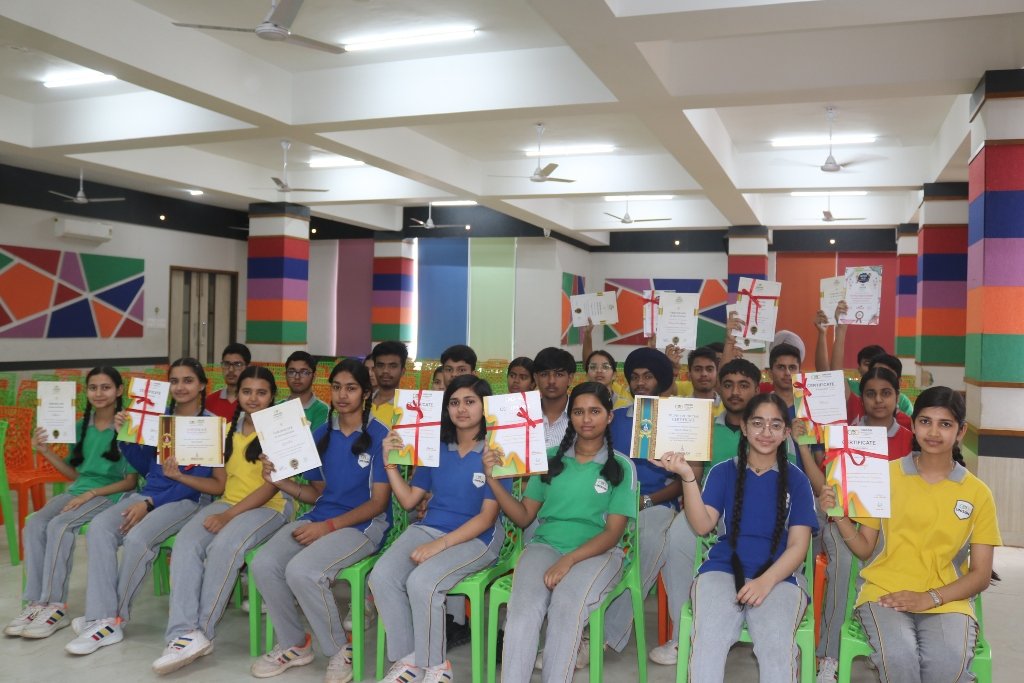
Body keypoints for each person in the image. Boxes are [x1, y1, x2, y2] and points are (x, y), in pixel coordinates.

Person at [819, 387, 1000, 683]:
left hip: (947, 599)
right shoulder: (885, 475)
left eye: (945, 424)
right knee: (900, 658)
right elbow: (865, 549)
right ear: (913, 425)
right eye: (925, 421)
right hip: (884, 594)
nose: (934, 432)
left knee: (946, 665)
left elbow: (980, 575)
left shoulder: (978, 493)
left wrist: (929, 598)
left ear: (961, 431)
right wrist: (838, 515)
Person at [66, 358, 225, 655]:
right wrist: (126, 439)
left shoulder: (209, 424)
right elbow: (147, 468)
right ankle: (101, 616)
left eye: (188, 380)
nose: (180, 387)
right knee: (100, 528)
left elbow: (198, 481)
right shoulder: (160, 419)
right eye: (174, 381)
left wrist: (150, 504)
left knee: (138, 539)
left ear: (203, 385)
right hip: (149, 493)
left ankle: (112, 620)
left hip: (187, 500)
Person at [249, 359, 391, 683]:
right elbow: (316, 494)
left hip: (363, 526)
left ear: (365, 393)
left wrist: (327, 528)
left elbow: (378, 503)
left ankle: (340, 649)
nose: (342, 395)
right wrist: (279, 480)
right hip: (320, 516)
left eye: (351, 388)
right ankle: (295, 644)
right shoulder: (321, 433)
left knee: (302, 571)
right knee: (264, 563)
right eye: (337, 387)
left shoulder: (380, 435)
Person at [484, 382, 637, 683]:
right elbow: (524, 517)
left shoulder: (621, 466)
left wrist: (569, 560)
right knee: (523, 609)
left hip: (599, 553)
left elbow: (612, 534)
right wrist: (493, 480)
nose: (586, 419)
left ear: (609, 416)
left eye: (595, 411)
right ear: (570, 417)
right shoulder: (549, 458)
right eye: (578, 412)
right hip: (545, 546)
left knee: (567, 607)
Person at [662, 393, 818, 683]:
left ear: (786, 433)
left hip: (780, 579)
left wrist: (765, 581)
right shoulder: (723, 472)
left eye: (775, 425)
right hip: (721, 571)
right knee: (709, 640)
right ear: (744, 427)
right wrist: (687, 476)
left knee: (775, 647)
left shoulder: (798, 481)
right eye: (757, 423)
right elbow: (701, 525)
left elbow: (798, 546)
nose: (766, 432)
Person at [370, 375, 511, 683]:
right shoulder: (434, 447)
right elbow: (409, 501)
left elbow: (486, 519)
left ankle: (437, 667)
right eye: (454, 402)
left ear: (484, 407)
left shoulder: (495, 451)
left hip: (478, 538)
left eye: (470, 402)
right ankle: (409, 660)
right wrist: (390, 464)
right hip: (430, 528)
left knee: (423, 582)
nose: (461, 409)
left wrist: (440, 545)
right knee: (381, 576)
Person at [152, 366, 288, 674]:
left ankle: (202, 631)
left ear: (272, 396)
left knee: (224, 547)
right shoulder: (225, 429)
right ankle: (181, 632)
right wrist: (179, 476)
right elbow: (218, 486)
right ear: (238, 394)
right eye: (247, 391)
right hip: (228, 503)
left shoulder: (280, 431)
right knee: (186, 543)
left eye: (261, 392)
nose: (253, 398)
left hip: (270, 508)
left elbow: (271, 488)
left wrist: (227, 516)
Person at [7, 367, 138, 639]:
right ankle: (36, 603)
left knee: (61, 526)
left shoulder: (126, 427)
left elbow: (130, 482)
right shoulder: (80, 427)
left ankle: (55, 607)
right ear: (86, 391)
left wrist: (90, 494)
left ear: (118, 391)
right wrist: (44, 451)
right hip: (79, 491)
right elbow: (74, 475)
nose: (99, 393)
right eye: (93, 387)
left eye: (106, 387)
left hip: (109, 495)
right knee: (35, 523)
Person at [650, 357, 761, 665]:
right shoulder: (703, 426)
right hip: (712, 512)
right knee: (677, 536)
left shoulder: (769, 429)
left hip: (758, 518)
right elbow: (695, 478)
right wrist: (681, 467)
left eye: (743, 385)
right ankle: (683, 634)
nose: (735, 392)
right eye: (728, 385)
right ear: (718, 389)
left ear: (757, 389)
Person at [815, 366, 913, 682]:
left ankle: (879, 640)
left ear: (897, 396)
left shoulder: (911, 440)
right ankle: (829, 655)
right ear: (862, 398)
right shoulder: (844, 437)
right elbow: (831, 486)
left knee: (888, 563)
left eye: (886, 393)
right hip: (845, 522)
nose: (878, 400)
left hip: (893, 527)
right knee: (845, 564)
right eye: (870, 393)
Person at [603, 348, 683, 656]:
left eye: (648, 376)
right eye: (635, 377)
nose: (640, 383)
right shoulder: (615, 419)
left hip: (657, 504)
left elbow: (682, 482)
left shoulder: (676, 419)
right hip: (614, 502)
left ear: (660, 380)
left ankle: (606, 636)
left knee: (649, 541)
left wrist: (646, 501)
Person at [532, 347, 576, 451]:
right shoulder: (522, 415)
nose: (551, 381)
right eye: (544, 374)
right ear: (536, 378)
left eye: (559, 374)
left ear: (570, 378)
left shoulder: (582, 416)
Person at [284, 350, 329, 429]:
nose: (297, 377)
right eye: (291, 372)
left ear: (314, 377)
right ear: (286, 375)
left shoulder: (323, 410)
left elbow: (316, 436)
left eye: (304, 372)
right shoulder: (276, 407)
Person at [206, 342, 251, 421]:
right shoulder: (209, 401)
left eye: (237, 364)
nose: (230, 370)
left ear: (248, 367)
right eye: (226, 364)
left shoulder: (254, 401)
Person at [370, 340, 409, 426]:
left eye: (393, 366)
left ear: (403, 371)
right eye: (380, 365)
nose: (385, 371)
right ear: (374, 370)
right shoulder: (361, 403)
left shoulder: (409, 409)